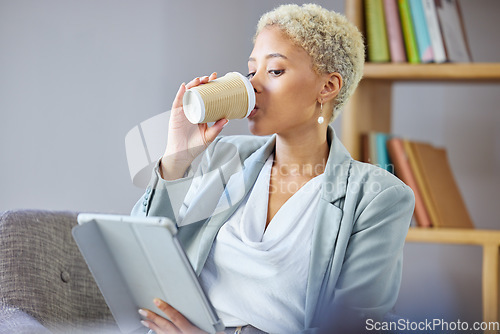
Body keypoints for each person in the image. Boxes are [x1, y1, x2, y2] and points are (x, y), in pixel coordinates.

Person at [131, 3, 415, 334]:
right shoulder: (225, 155)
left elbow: (352, 327)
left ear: (328, 87)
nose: (253, 85)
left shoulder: (378, 198)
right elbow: (141, 261)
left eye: (275, 71)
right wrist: (177, 156)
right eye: (252, 71)